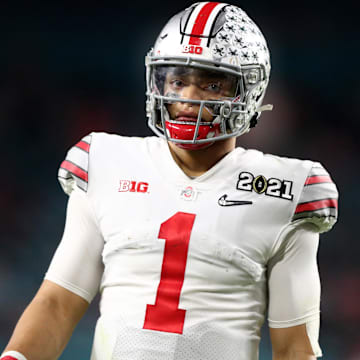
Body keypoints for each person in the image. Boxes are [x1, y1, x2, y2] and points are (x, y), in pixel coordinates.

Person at [1, 2, 338, 360]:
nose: (188, 98)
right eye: (178, 80)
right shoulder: (104, 161)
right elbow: (57, 303)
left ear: (249, 90)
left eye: (212, 83)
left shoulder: (288, 188)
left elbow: (295, 349)